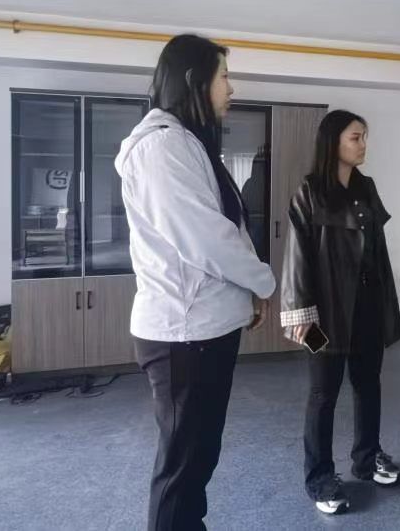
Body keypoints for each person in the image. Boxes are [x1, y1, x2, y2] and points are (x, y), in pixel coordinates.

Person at [116, 34, 276, 531]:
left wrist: (247, 291)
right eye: (224, 76)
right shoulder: (162, 146)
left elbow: (227, 226)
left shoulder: (186, 142)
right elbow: (207, 238)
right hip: (184, 334)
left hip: (203, 328)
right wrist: (264, 282)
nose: (232, 87)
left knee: (197, 458)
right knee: (182, 468)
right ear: (194, 80)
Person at [280, 109, 400, 515]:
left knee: (369, 384)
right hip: (325, 311)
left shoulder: (367, 187)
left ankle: (367, 458)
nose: (363, 144)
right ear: (333, 141)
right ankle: (320, 478)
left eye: (365, 136)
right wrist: (300, 311)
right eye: (356, 137)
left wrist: (387, 302)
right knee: (323, 395)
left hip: (367, 305)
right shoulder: (311, 191)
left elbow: (377, 253)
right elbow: (297, 256)